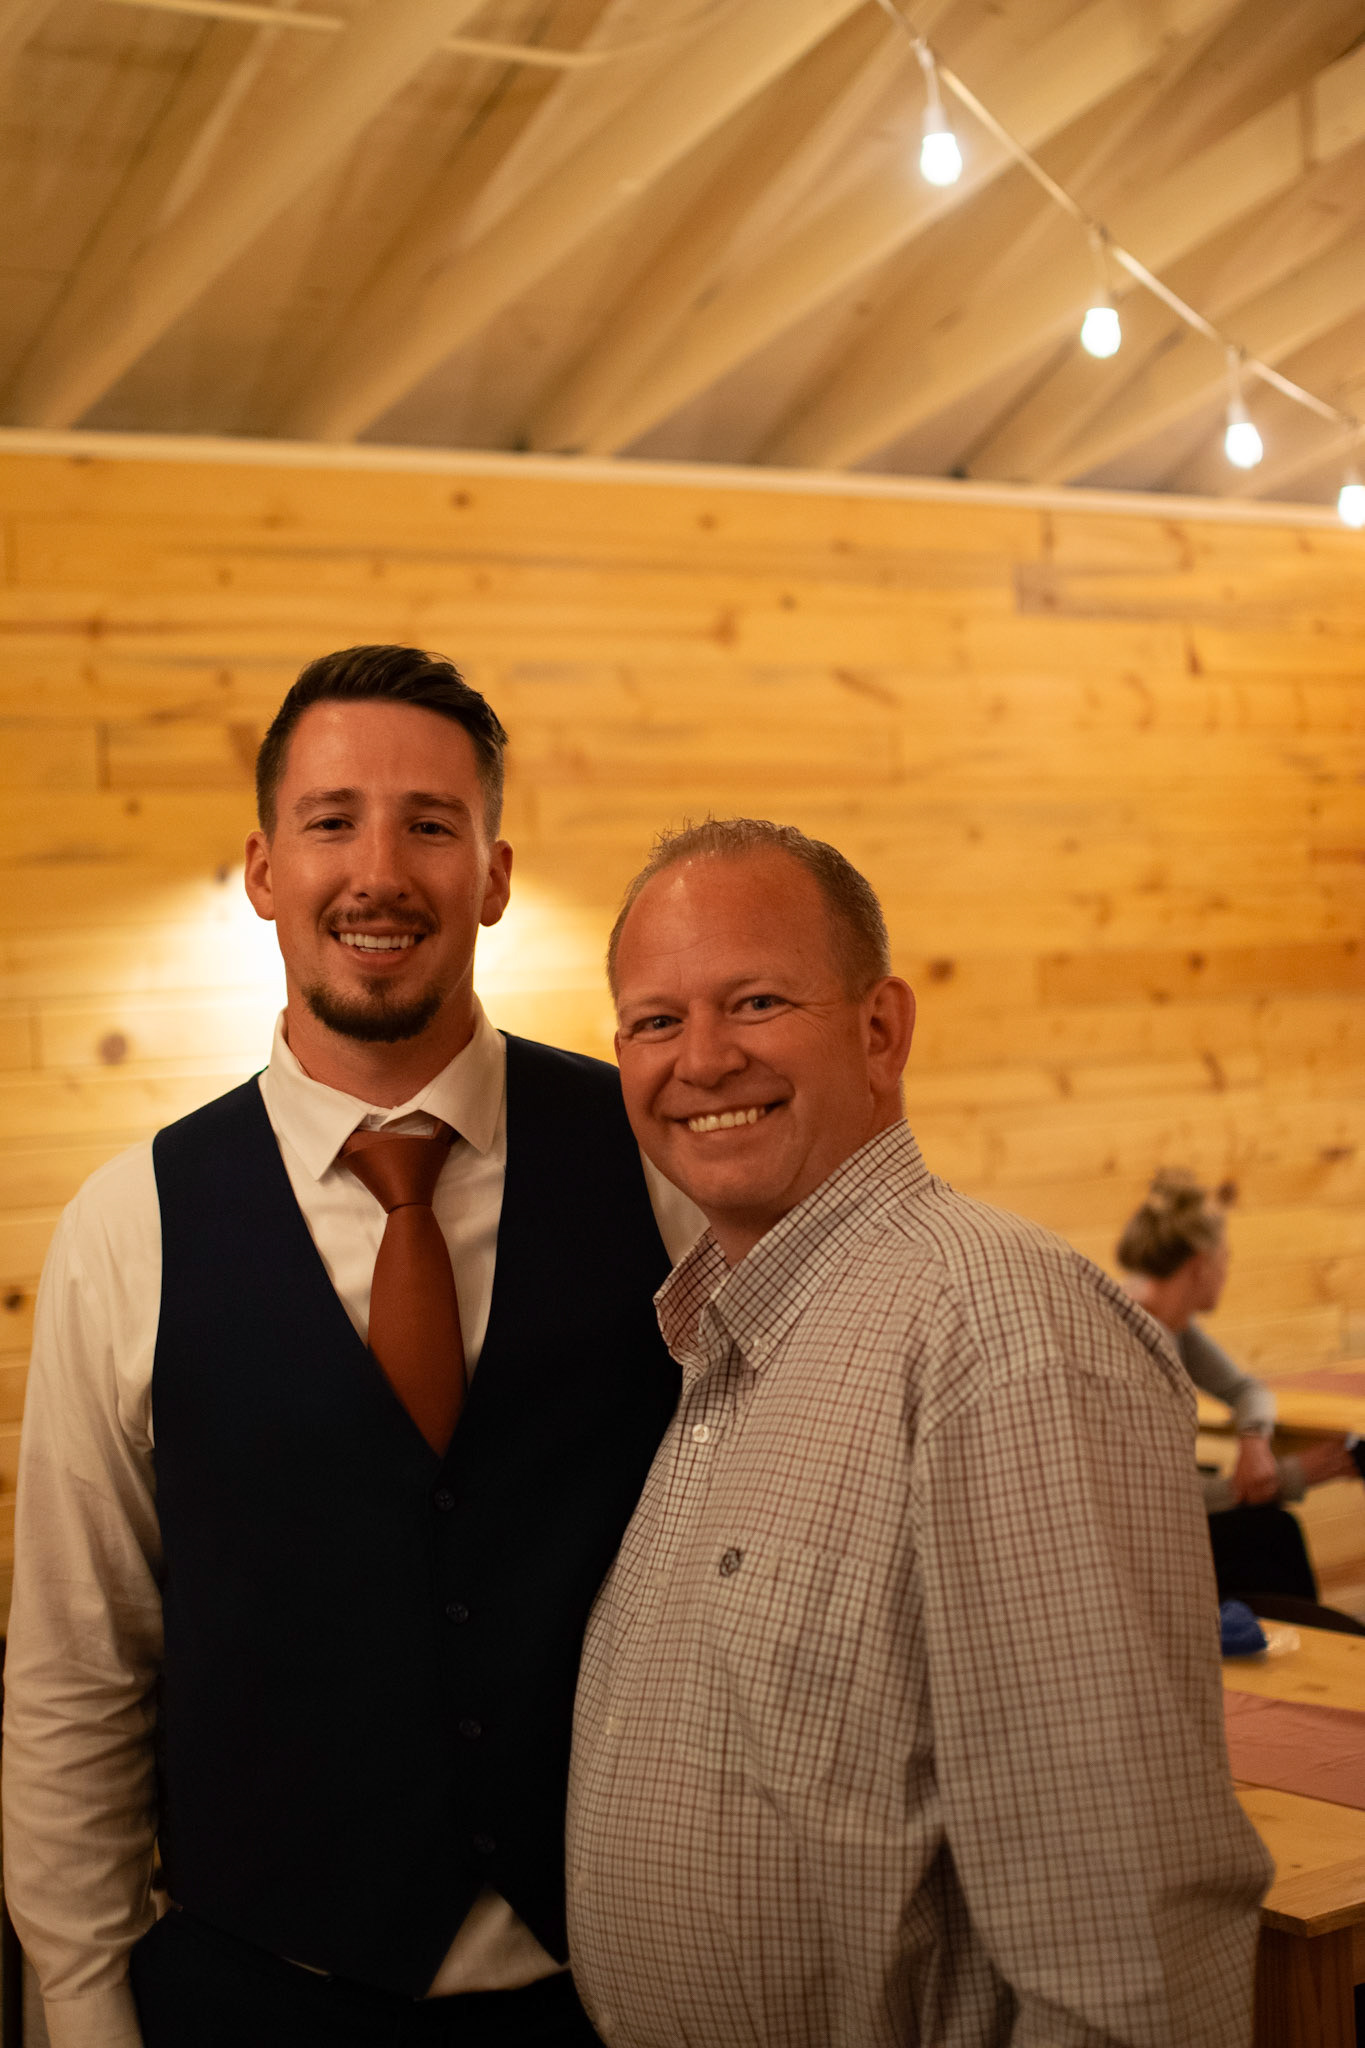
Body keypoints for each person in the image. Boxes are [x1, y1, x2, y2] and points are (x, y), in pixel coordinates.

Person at [2, 645, 700, 2048]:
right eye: (333, 821)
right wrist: (81, 2006)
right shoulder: (128, 1225)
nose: (379, 872)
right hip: (250, 1997)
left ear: (493, 874)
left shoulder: (658, 1166)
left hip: (617, 1998)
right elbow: (79, 1668)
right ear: (264, 869)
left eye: (430, 824)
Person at [567, 816, 1270, 2048]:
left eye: (757, 1001)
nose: (705, 1058)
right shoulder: (724, 1338)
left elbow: (1126, 1940)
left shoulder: (999, 1331)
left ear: (881, 1030)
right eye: (656, 1020)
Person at [1117, 1169, 1360, 1603]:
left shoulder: (1172, 1323)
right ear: (1200, 1265)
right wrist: (1289, 1477)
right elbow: (1150, 1496)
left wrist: (1254, 1439)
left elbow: (1247, 1389)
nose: (1227, 1268)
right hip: (1134, 1540)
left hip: (1160, 1511)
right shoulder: (1137, 1341)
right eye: (1225, 1257)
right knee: (1272, 1535)